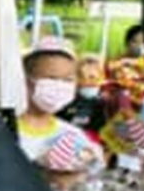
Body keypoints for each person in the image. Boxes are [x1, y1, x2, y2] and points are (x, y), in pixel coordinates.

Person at [16, 37, 93, 165]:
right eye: (51, 78)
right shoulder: (5, 130)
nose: (59, 86)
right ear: (27, 80)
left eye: (67, 80)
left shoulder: (73, 136)